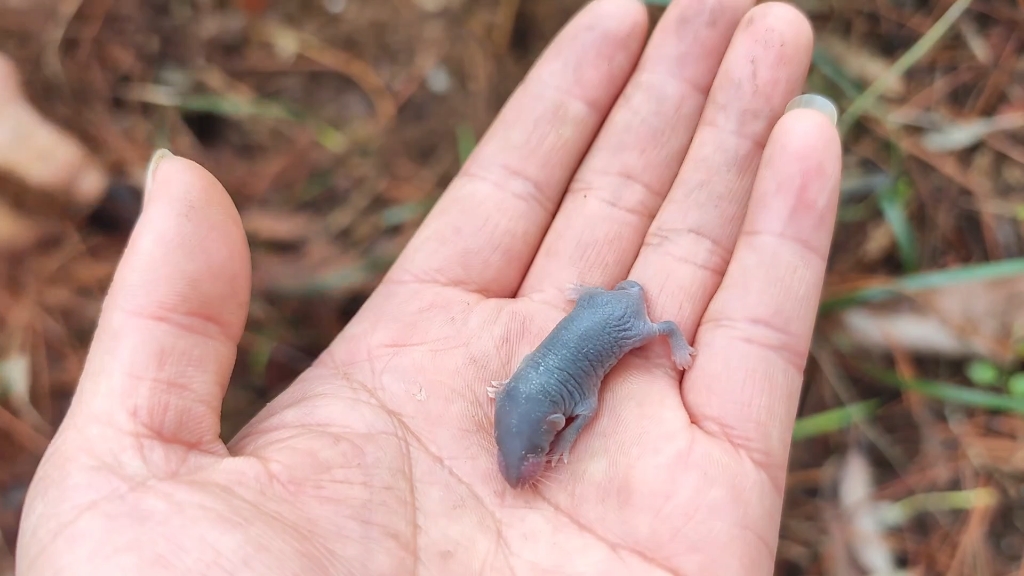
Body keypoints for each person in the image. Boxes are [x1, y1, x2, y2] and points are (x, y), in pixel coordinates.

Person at [14, 0, 841, 573]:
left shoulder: (565, 395)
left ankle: (645, 324)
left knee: (642, 327)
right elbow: (535, 402)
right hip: (588, 320)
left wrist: (567, 435)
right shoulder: (529, 398)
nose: (521, 453)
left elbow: (576, 406)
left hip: (615, 317)